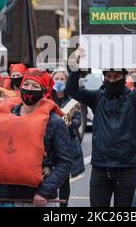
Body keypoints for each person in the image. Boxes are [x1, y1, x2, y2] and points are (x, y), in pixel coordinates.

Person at [66, 39, 136, 207]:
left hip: (126, 167)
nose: (111, 80)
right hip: (100, 167)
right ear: (103, 79)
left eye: (116, 76)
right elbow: (72, 90)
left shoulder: (135, 98)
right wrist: (76, 65)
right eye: (108, 76)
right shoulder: (96, 97)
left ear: (124, 78)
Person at [0, 68, 73, 207]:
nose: (29, 89)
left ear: (44, 92)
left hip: (38, 198)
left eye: (35, 86)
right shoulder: (5, 117)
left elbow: (65, 162)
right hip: (5, 196)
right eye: (26, 84)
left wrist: (44, 191)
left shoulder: (55, 123)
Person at [51, 69, 85, 208]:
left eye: (62, 79)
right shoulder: (47, 98)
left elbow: (78, 120)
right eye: (56, 78)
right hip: (50, 143)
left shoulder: (72, 101)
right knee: (49, 177)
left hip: (66, 143)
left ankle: (63, 207)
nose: (59, 81)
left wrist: (71, 123)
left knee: (64, 179)